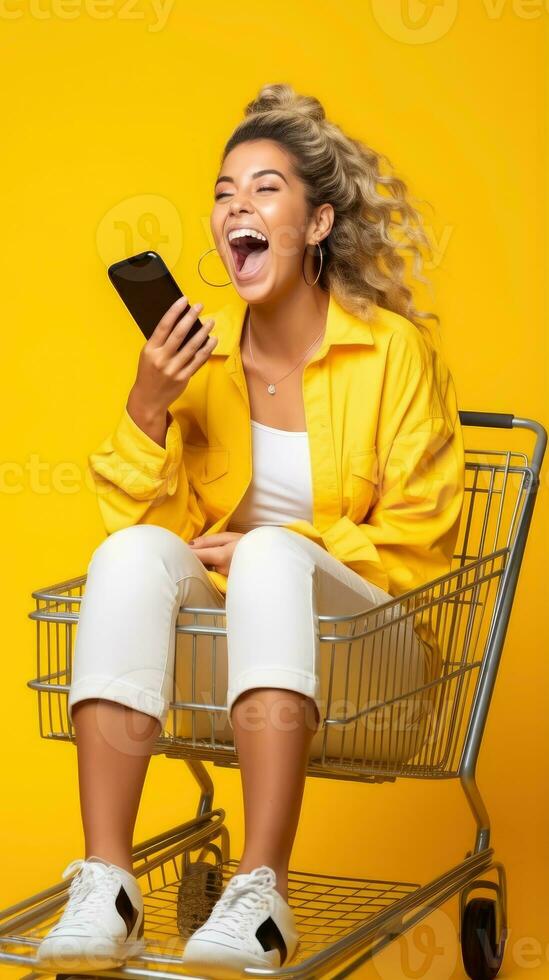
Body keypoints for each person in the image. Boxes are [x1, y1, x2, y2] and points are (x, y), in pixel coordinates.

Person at [36, 82, 465, 974]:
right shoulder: (200, 360)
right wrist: (147, 407)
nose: (238, 206)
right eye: (225, 192)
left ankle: (261, 889)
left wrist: (291, 547)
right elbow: (159, 549)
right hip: (231, 661)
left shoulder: (392, 354)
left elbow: (421, 544)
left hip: (365, 660)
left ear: (315, 224)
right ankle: (106, 883)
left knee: (272, 551)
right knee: (127, 552)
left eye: (266, 189)